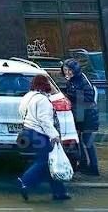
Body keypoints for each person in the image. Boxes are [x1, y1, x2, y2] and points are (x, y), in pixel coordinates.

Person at [17, 74, 71, 202]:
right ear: (45, 84)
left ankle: (59, 192)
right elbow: (44, 120)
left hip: (27, 132)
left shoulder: (28, 96)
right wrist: (54, 135)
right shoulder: (42, 100)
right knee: (45, 161)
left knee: (50, 162)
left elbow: (21, 112)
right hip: (39, 135)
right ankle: (25, 181)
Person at [63, 58, 100, 176]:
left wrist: (72, 95)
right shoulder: (71, 81)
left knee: (88, 141)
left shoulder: (83, 80)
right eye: (65, 70)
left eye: (69, 70)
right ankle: (83, 164)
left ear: (75, 70)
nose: (67, 73)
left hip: (88, 114)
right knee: (80, 139)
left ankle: (94, 167)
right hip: (79, 114)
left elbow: (88, 97)